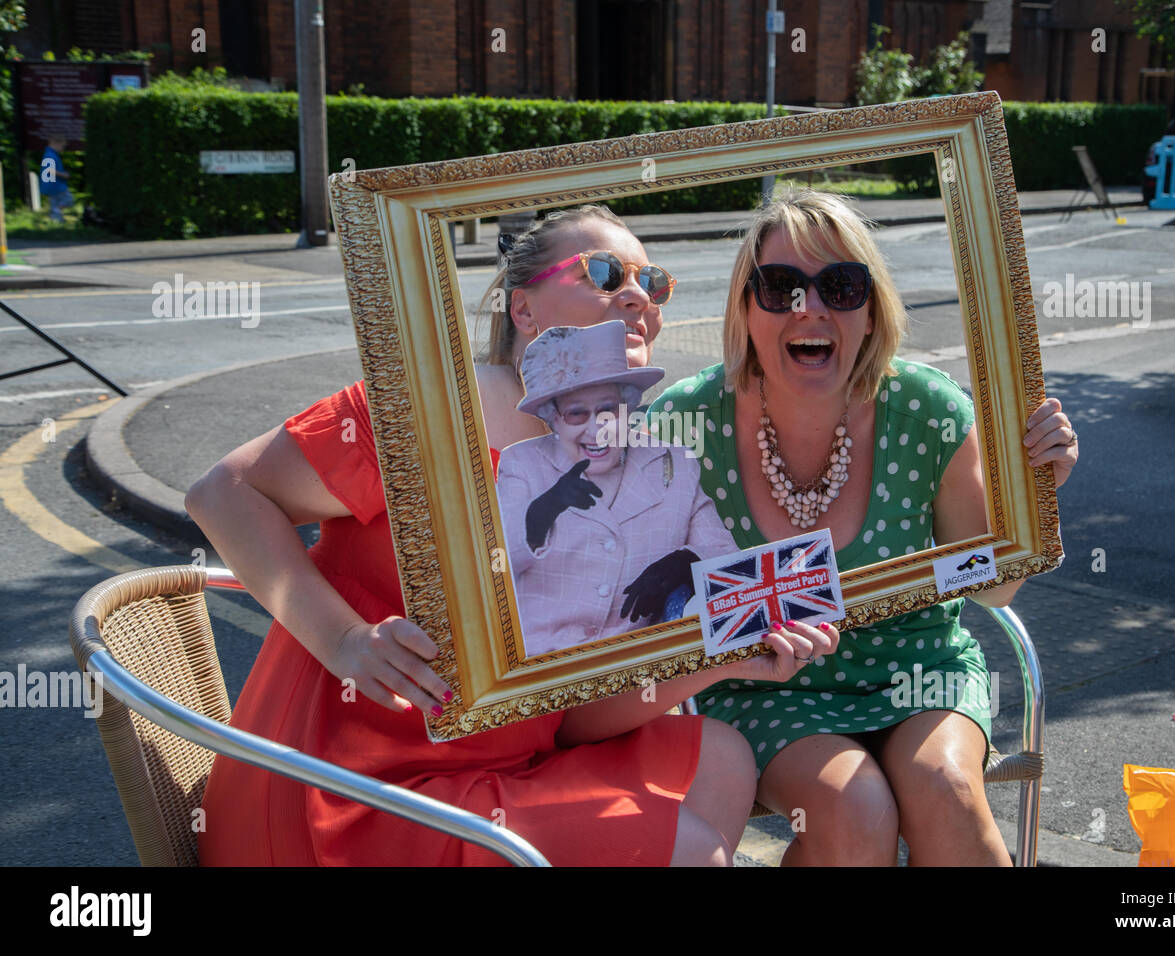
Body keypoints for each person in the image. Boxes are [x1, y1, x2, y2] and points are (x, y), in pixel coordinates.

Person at [189, 203, 840, 866]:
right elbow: (223, 494)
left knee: (723, 758)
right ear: (523, 310)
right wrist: (344, 641)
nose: (640, 295)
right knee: (693, 853)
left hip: (502, 771)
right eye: (607, 272)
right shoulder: (431, 410)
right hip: (345, 795)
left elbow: (574, 716)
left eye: (655, 281)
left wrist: (720, 652)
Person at [648, 187, 1079, 866]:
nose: (810, 306)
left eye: (841, 285)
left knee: (947, 788)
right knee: (854, 805)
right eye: (781, 286)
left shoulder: (928, 408)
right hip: (765, 686)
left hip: (920, 671)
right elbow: (637, 601)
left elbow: (992, 591)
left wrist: (1035, 497)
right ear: (744, 309)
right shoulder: (682, 424)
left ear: (872, 310)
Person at [497, 320, 735, 655]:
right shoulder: (522, 465)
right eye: (577, 413)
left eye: (608, 409)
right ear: (554, 419)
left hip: (636, 677)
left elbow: (726, 560)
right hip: (540, 674)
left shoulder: (673, 462)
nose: (599, 428)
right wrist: (543, 511)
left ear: (628, 405)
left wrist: (688, 564)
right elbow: (493, 570)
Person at [40, 135, 73, 223]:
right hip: (55, 185)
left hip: (51, 185)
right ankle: (56, 213)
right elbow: (49, 170)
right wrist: (64, 175)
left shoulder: (50, 154)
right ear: (55, 143)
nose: (63, 149)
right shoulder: (50, 155)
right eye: (62, 146)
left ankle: (56, 221)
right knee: (68, 200)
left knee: (55, 203)